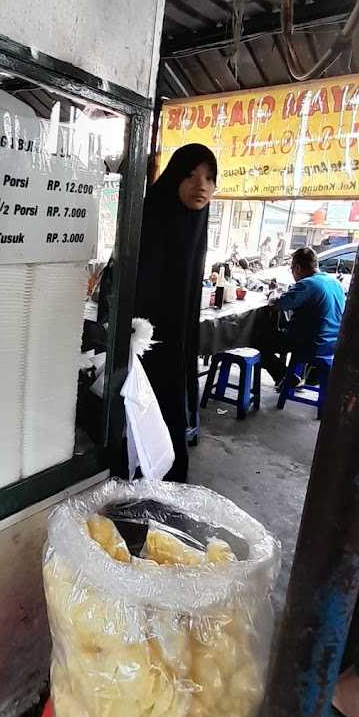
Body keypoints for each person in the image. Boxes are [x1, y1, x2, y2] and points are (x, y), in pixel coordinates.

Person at [135, 143, 217, 481]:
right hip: (140, 344)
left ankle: (165, 490)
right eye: (191, 175)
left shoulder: (196, 221)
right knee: (141, 425)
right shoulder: (150, 216)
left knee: (171, 419)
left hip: (176, 342)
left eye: (210, 178)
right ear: (173, 178)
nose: (202, 186)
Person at [257, 246, 346, 387]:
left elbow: (276, 306)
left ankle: (284, 375)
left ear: (297, 268)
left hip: (312, 344)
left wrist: (273, 294)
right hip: (333, 343)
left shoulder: (308, 284)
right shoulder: (335, 283)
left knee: (256, 341)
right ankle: (293, 375)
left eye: (291, 269)